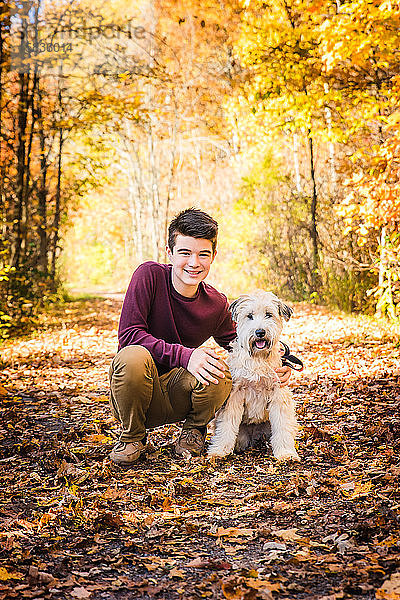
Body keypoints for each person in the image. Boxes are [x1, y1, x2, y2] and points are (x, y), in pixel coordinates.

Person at [108, 208, 291, 465]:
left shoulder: (216, 303)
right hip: (132, 392)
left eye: (202, 254)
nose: (193, 263)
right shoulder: (148, 276)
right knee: (133, 357)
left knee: (220, 369)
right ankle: (132, 438)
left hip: (175, 394)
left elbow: (240, 340)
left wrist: (280, 357)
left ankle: (193, 431)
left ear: (213, 257)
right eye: (185, 253)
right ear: (170, 253)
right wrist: (186, 356)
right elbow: (129, 336)